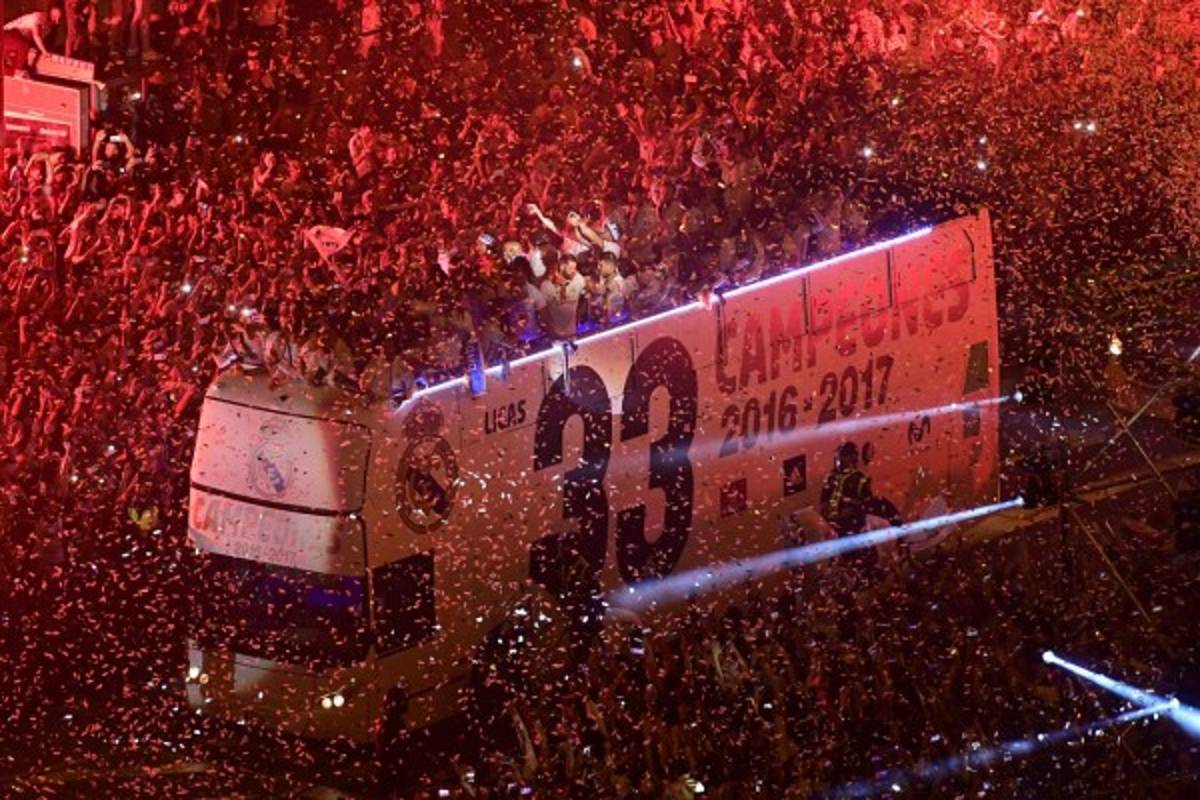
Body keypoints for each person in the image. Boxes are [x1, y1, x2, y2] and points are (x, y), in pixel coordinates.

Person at [819, 442, 902, 575]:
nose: (840, 459)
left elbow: (867, 504)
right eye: (839, 456)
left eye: (844, 456)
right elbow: (823, 502)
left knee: (861, 557)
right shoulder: (830, 478)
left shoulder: (860, 479)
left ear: (852, 458)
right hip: (833, 526)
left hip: (854, 526)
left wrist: (851, 508)